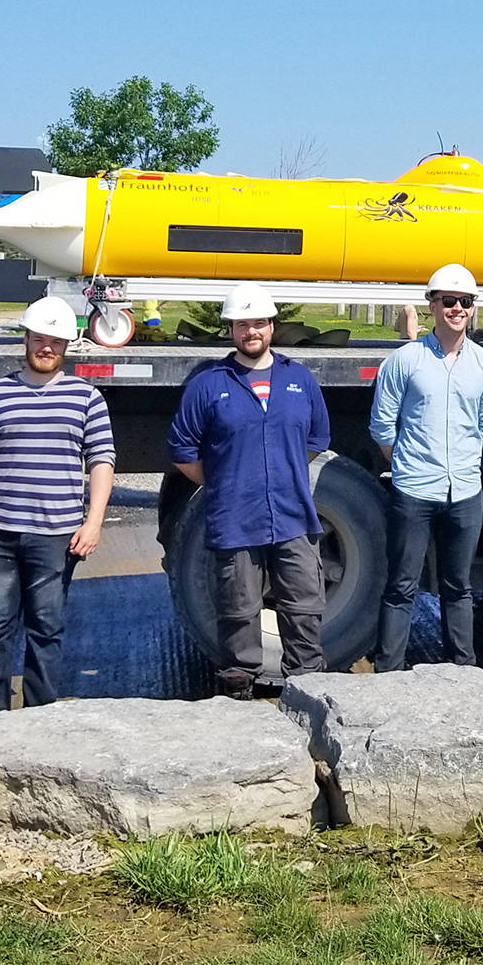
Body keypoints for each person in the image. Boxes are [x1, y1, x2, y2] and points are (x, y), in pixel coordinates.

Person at [168, 280, 331, 698]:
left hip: (293, 516)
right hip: (235, 519)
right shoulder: (208, 384)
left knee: (304, 608)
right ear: (230, 330)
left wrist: (279, 472)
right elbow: (183, 451)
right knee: (238, 613)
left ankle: (308, 693)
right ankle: (238, 696)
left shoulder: (299, 380)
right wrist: (226, 480)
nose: (251, 332)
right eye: (242, 325)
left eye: (258, 323)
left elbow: (315, 440)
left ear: (272, 326)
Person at [0, 296, 115, 712]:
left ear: (66, 347)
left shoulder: (86, 398)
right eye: (40, 339)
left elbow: (101, 462)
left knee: (46, 627)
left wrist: (92, 523)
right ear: (25, 339)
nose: (47, 348)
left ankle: (42, 713)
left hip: (57, 535)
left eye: (56, 342)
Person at [368, 263, 483, 670]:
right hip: (414, 491)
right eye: (449, 300)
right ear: (432, 304)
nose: (457, 308)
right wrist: (407, 467)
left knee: (458, 586)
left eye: (465, 301)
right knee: (401, 586)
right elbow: (382, 425)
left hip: (464, 492)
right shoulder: (404, 360)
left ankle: (463, 669)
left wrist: (459, 460)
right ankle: (389, 672)